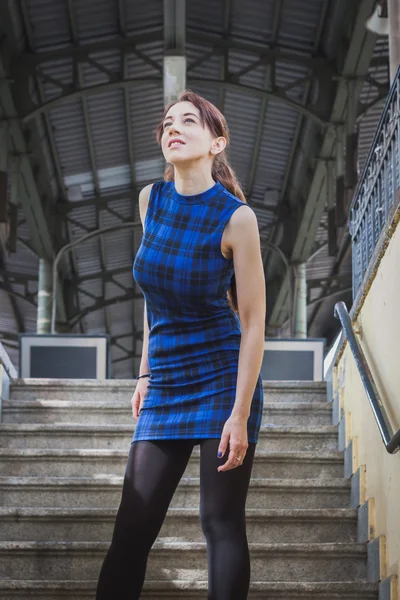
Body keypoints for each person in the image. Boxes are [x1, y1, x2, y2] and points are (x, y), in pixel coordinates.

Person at [95, 89, 266, 600]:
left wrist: (238, 414)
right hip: (166, 382)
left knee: (220, 523)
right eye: (167, 122)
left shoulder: (237, 219)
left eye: (188, 121)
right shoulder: (152, 200)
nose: (173, 127)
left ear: (217, 142)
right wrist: (145, 374)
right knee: (132, 526)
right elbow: (157, 298)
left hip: (222, 379)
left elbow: (254, 322)